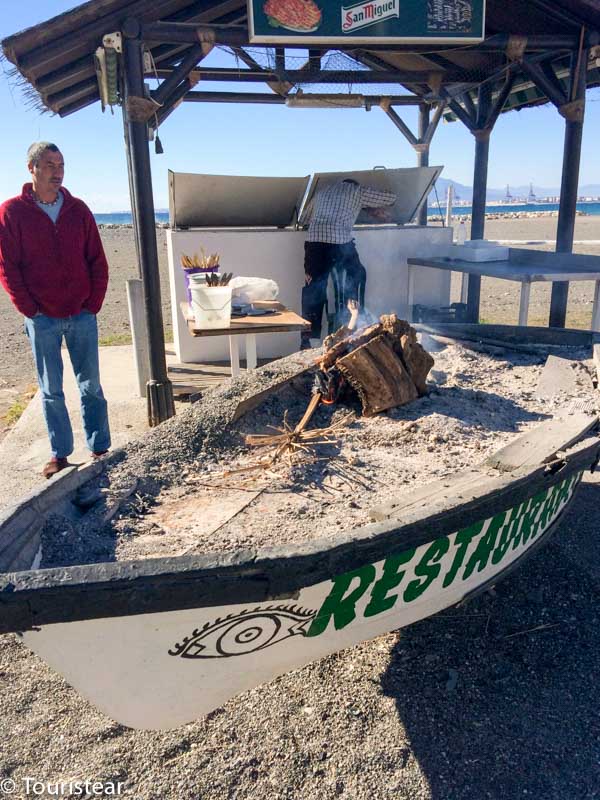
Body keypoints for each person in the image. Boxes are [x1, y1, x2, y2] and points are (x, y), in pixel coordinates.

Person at [0, 142, 111, 478]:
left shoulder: (78, 210)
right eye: (49, 164)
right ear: (31, 168)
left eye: (61, 164)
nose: (57, 171)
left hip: (81, 314)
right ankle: (60, 454)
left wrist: (92, 304)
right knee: (51, 390)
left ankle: (100, 447)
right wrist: (30, 309)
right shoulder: (11, 212)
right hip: (42, 318)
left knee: (90, 384)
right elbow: (8, 267)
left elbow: (97, 260)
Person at [301, 178, 396, 348]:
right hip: (339, 242)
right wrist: (366, 206)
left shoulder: (322, 192)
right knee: (358, 274)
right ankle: (353, 318)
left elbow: (306, 218)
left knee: (313, 289)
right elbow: (390, 198)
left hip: (314, 244)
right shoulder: (357, 191)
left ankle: (308, 339)